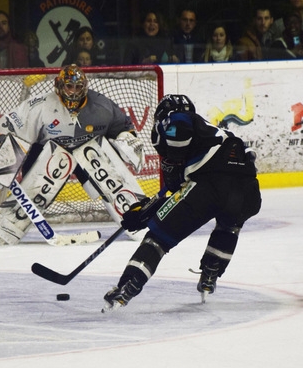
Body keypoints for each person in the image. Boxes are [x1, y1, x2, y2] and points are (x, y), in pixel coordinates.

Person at [102, 94, 261, 312]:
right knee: (229, 224)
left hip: (210, 187)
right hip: (247, 191)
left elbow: (180, 126)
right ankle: (210, 273)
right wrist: (148, 209)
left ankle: (128, 285)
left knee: (158, 238)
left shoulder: (179, 118)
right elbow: (180, 189)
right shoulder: (215, 134)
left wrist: (151, 211)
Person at [0, 64, 146, 245]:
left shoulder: (102, 105)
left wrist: (128, 141)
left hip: (88, 155)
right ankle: (9, 225)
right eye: (69, 86)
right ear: (59, 85)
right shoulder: (40, 106)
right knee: (54, 163)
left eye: (78, 87)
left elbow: (123, 127)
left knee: (93, 153)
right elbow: (10, 125)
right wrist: (3, 150)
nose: (74, 92)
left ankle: (140, 220)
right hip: (47, 155)